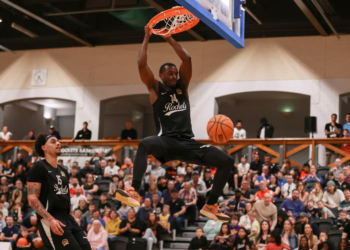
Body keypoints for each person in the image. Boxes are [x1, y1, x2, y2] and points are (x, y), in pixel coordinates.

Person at [115, 27, 234, 222]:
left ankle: (211, 205)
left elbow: (187, 59)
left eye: (175, 73)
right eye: (170, 73)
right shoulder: (155, 88)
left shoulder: (183, 87)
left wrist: (169, 37)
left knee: (227, 161)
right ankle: (135, 191)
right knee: (144, 143)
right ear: (161, 76)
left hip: (188, 142)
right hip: (166, 142)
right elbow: (141, 63)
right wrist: (146, 36)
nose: (174, 76)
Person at [27, 134, 91, 250]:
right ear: (44, 147)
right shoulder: (39, 167)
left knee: (86, 247)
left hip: (68, 218)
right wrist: (50, 220)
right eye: (53, 141)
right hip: (51, 217)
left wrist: (73, 219)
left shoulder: (63, 170)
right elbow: (32, 199)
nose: (58, 143)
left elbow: (65, 197)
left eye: (58, 141)